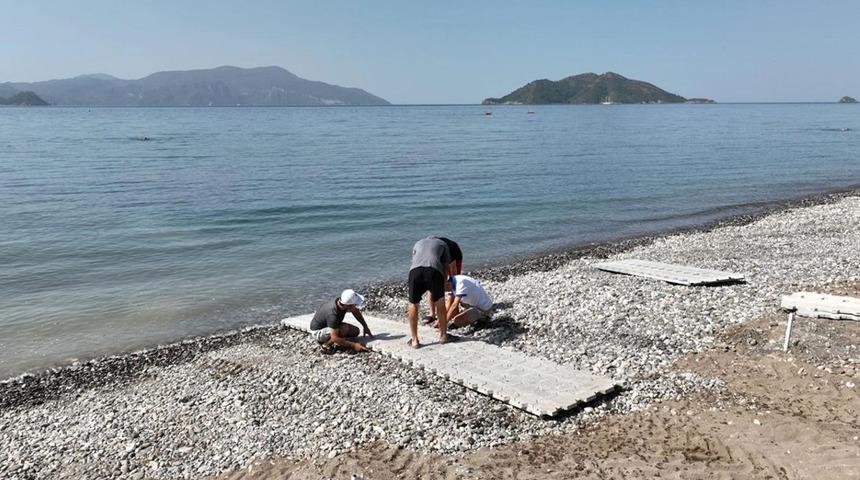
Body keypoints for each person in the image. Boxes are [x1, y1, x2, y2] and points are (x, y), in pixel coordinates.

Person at [407, 236, 451, 347]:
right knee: (440, 302)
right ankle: (443, 336)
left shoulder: (418, 242)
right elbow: (446, 266)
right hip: (434, 271)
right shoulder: (443, 244)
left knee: (413, 304)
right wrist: (444, 282)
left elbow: (414, 260)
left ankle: (414, 340)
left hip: (414, 272)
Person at [309, 289, 372, 354]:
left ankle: (341, 340)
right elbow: (334, 337)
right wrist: (354, 345)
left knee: (355, 331)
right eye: (355, 305)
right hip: (318, 332)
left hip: (330, 325)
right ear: (349, 306)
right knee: (344, 328)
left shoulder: (342, 302)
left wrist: (365, 326)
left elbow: (355, 311)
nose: (356, 306)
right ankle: (326, 344)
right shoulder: (333, 314)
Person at [424, 237, 463, 322]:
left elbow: (453, 271)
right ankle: (432, 314)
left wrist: (450, 285)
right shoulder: (426, 252)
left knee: (453, 282)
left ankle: (451, 307)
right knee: (431, 286)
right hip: (437, 257)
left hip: (455, 254)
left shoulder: (449, 251)